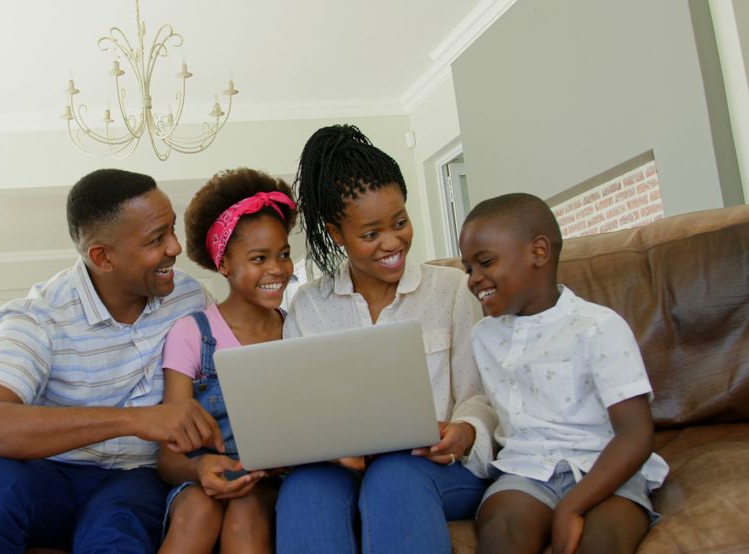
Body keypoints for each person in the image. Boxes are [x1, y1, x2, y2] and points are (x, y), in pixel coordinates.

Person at [0, 169, 223, 553]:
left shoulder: (191, 301)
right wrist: (136, 421)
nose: (176, 247)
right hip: (47, 476)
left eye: (172, 229)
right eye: (156, 239)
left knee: (115, 535)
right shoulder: (40, 315)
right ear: (102, 257)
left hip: (134, 480)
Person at [276, 124, 497, 553]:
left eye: (400, 222)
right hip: (341, 467)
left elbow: (479, 394)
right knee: (306, 488)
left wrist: (466, 432)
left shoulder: (452, 290)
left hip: (434, 468)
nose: (393, 243)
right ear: (336, 233)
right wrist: (331, 449)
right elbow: (300, 411)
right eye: (371, 233)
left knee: (393, 474)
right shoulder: (310, 306)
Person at [458, 193, 668, 554]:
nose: (474, 279)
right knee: (500, 533)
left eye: (485, 263)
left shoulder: (598, 326)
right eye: (468, 269)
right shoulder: (482, 336)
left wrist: (570, 507)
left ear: (538, 252)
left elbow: (636, 435)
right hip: (525, 474)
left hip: (607, 471)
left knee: (602, 541)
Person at [157, 168, 296, 554]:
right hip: (202, 475)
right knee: (199, 510)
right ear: (224, 265)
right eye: (258, 258)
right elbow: (169, 458)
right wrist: (199, 469)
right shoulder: (192, 334)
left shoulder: (300, 328)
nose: (277, 269)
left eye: (284, 254)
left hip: (274, 482)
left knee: (245, 510)